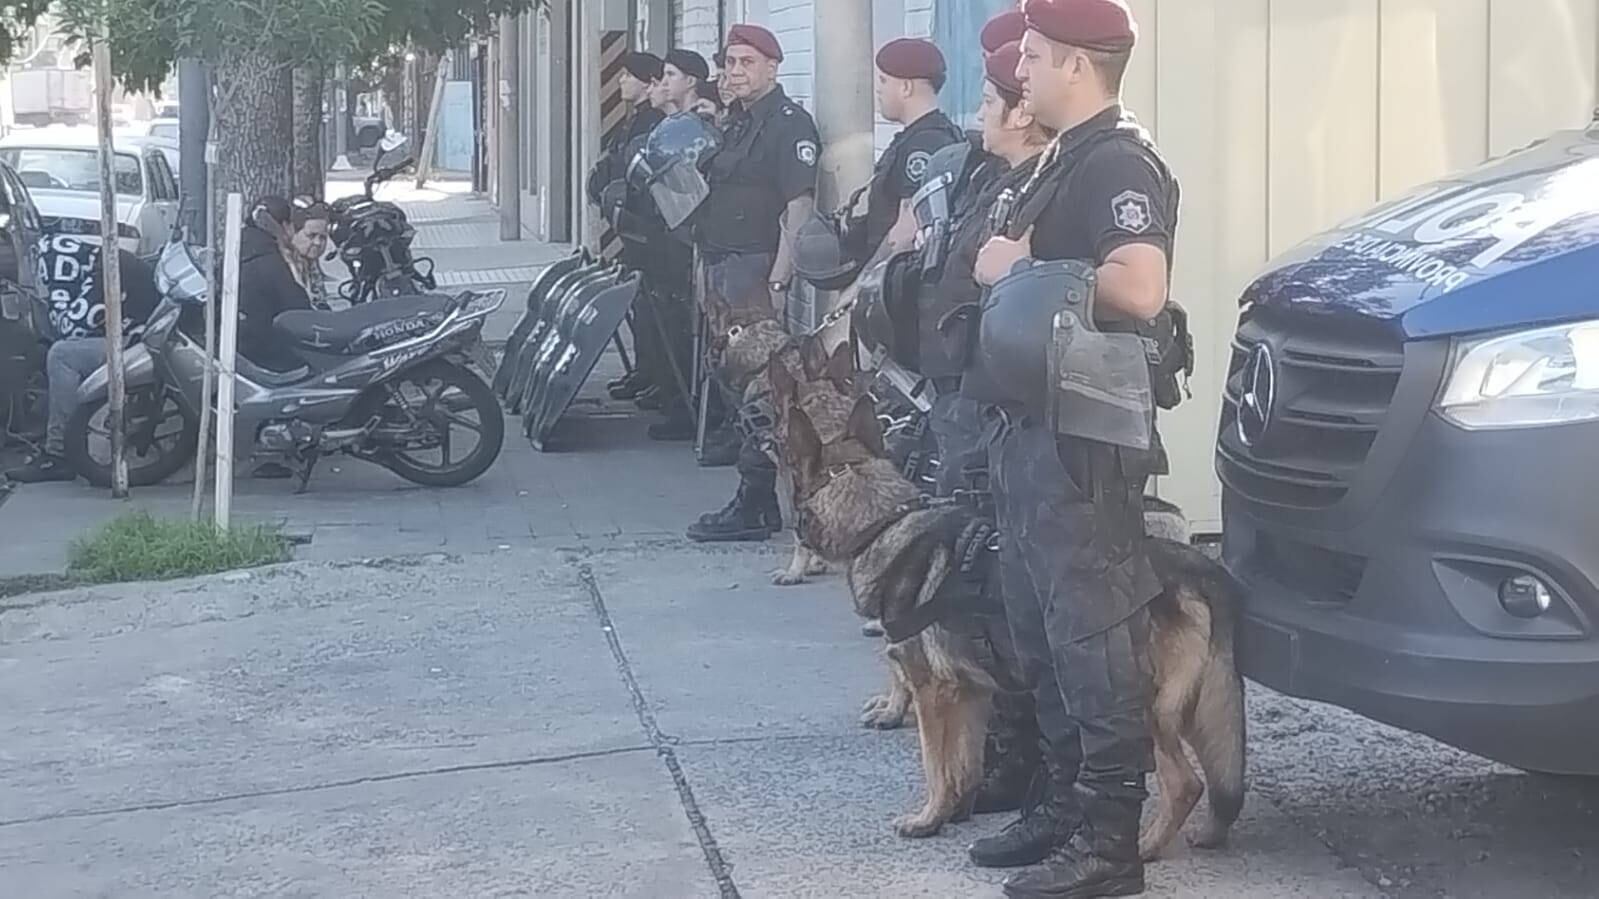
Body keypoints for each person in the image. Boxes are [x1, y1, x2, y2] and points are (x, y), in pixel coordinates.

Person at [964, 2, 1179, 897]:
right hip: (1032, 430)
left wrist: (1016, 270)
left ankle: (1106, 844)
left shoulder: (1118, 161)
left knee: (1091, 638)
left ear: (1079, 66)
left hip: (1082, 444)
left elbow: (1138, 286)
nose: (1020, 72)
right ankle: (1059, 808)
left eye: (1035, 55)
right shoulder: (1062, 159)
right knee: (1039, 630)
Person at [687, 23, 820, 543]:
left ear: (772, 67)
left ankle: (758, 500)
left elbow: (799, 207)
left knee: (763, 395)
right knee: (734, 386)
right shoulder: (736, 122)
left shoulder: (789, 126)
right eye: (730, 62)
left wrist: (781, 278)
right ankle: (755, 495)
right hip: (721, 267)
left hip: (756, 272)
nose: (734, 72)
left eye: (746, 63)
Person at [3, 235, 158, 483]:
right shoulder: (92, 261)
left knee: (62, 355)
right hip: (138, 333)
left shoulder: (82, 267)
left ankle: (58, 454)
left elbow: (71, 327)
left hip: (138, 341)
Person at [858, 38, 965, 266]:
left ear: (906, 87)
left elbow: (907, 228)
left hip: (899, 279)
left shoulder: (924, 144)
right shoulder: (926, 135)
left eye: (884, 81)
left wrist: (862, 282)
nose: (878, 89)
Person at [236, 198, 332, 374]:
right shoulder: (275, 263)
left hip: (242, 348)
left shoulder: (242, 248)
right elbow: (301, 314)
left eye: (323, 237)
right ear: (287, 227)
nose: (318, 243)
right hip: (267, 357)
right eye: (311, 235)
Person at [658, 49, 711, 114]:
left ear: (690, 81)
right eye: (664, 75)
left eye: (671, 74)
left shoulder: (700, 119)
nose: (663, 82)